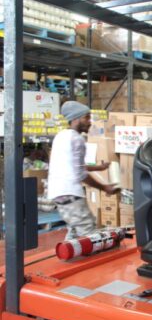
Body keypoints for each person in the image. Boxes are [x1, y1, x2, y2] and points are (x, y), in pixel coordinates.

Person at [48, 101, 119, 241]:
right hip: (70, 194)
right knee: (90, 235)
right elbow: (80, 173)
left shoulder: (61, 136)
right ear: (75, 119)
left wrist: (99, 168)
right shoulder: (77, 139)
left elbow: (71, 165)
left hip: (59, 193)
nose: (90, 122)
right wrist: (105, 187)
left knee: (74, 232)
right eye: (86, 117)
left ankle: (69, 256)